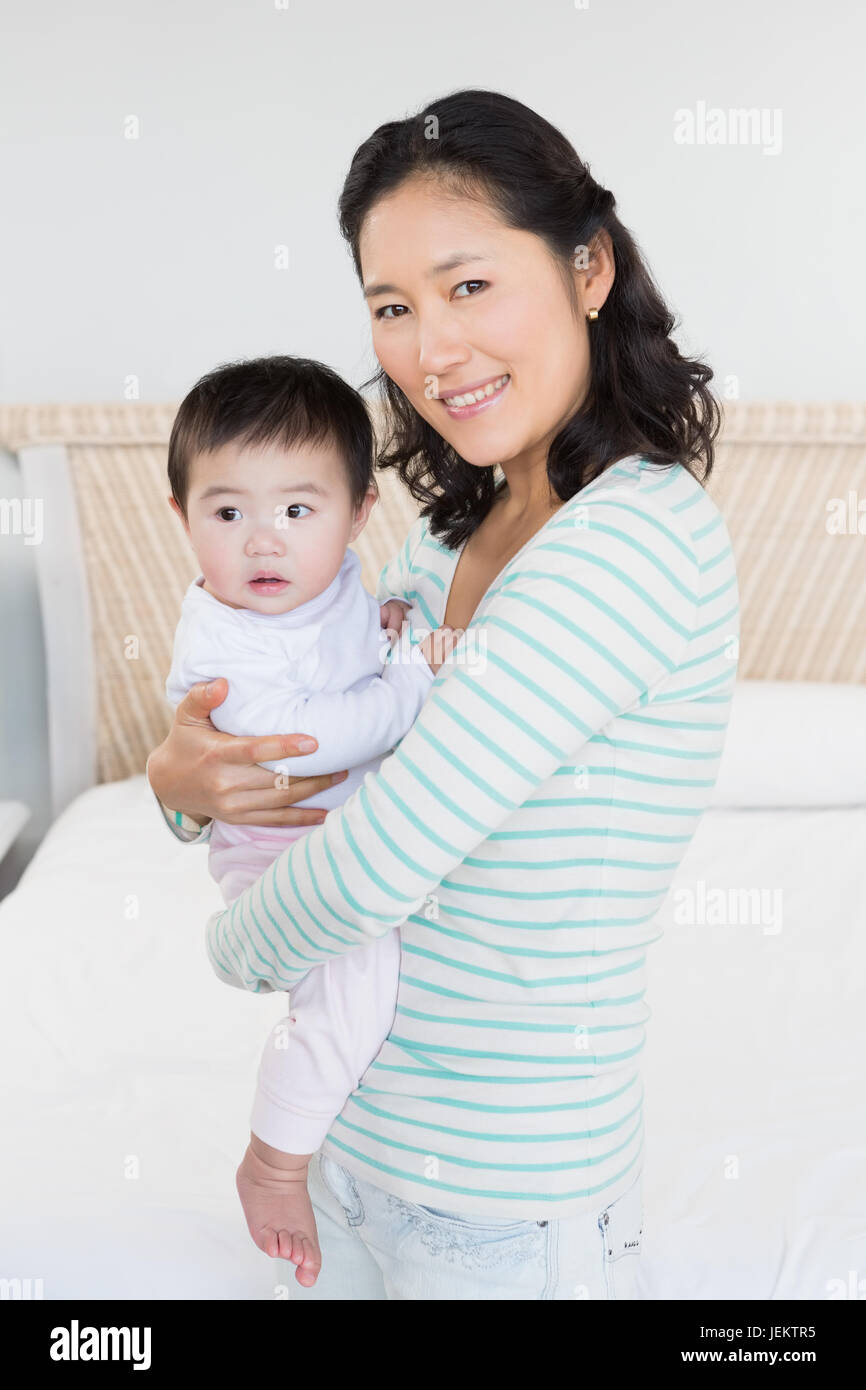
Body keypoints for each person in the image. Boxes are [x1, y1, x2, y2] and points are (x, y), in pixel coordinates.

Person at [147, 87, 739, 1300]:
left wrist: (226, 949)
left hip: (502, 1199)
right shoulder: (445, 531)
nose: (433, 348)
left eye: (469, 286)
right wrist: (180, 789)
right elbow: (297, 747)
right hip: (350, 1155)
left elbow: (374, 860)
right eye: (393, 307)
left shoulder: (630, 542)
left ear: (587, 268)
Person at [162, 353, 459, 1284]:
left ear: (361, 513)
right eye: (226, 513)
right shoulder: (222, 642)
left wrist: (384, 629)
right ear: (181, 519)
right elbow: (321, 732)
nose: (262, 544)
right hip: (274, 855)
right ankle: (276, 1160)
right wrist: (411, 676)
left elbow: (349, 646)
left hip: (349, 839)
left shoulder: (342, 583)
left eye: (298, 510)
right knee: (355, 980)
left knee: (391, 983)